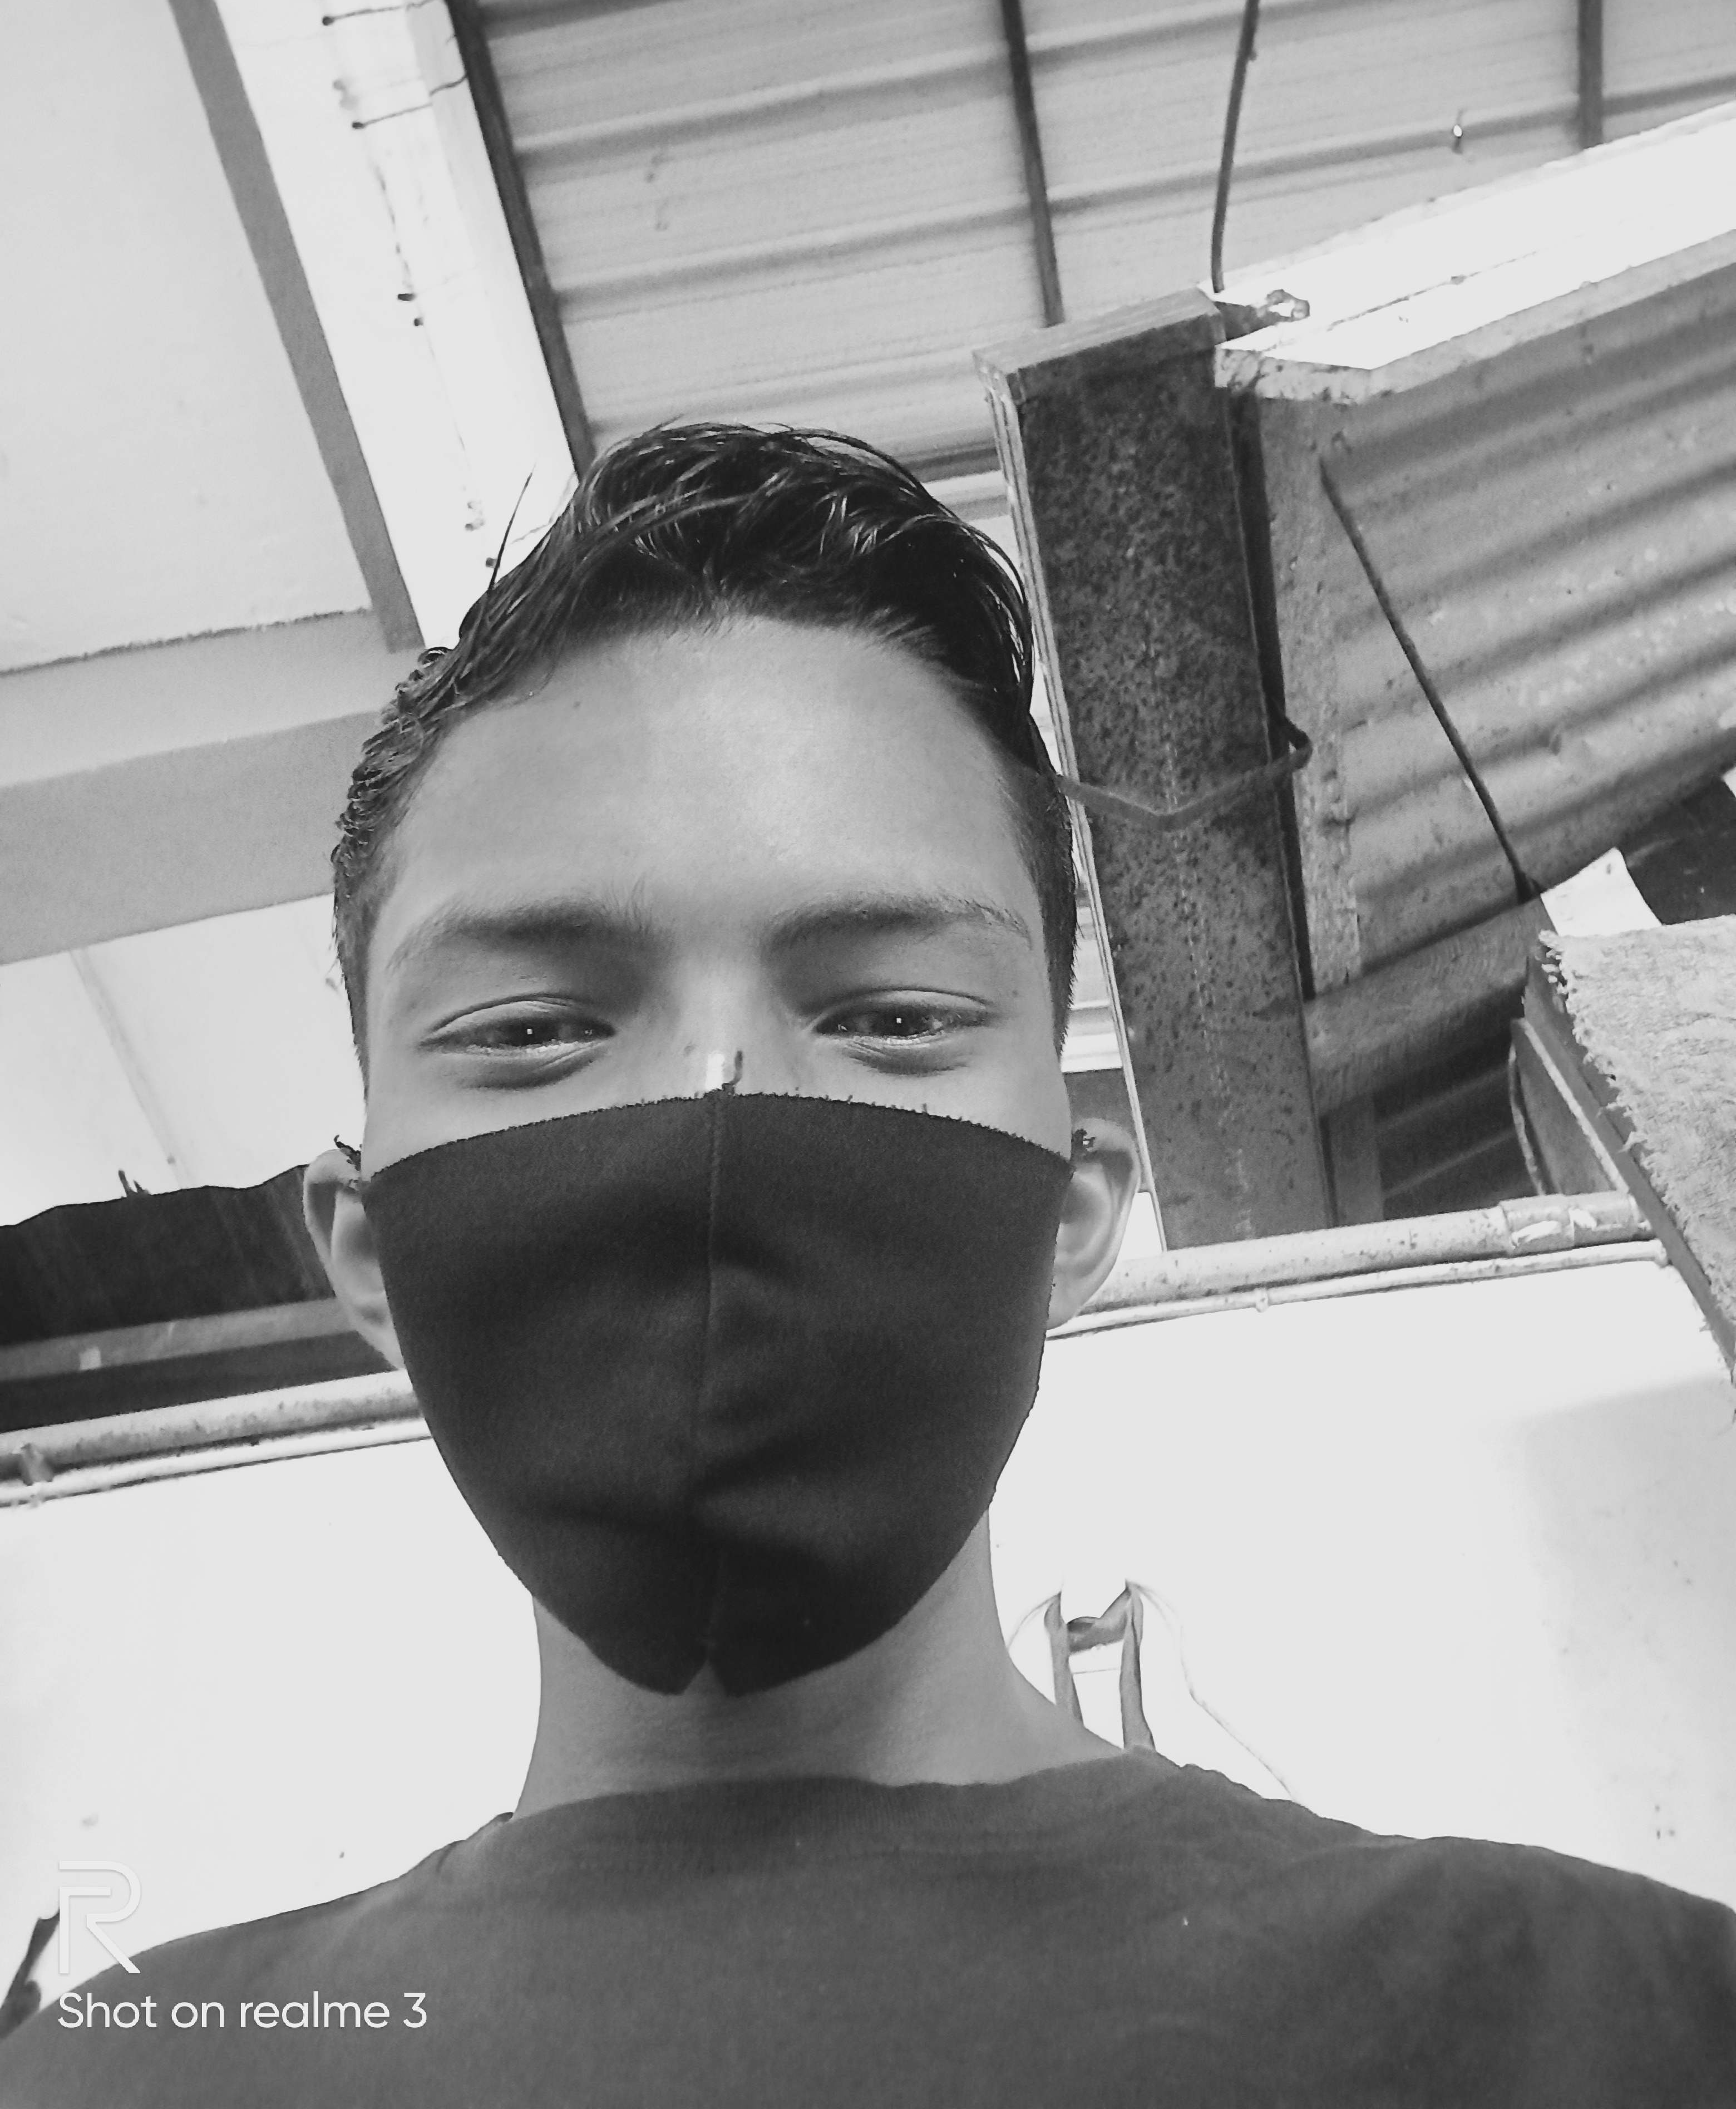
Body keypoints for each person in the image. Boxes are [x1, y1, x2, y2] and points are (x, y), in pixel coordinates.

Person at [5, 425, 1733, 2106]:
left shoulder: (1613, 2029)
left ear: (1074, 1214)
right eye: (533, 1028)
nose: (714, 1101)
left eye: (892, 1016)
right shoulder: (107, 2078)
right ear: (367, 1250)